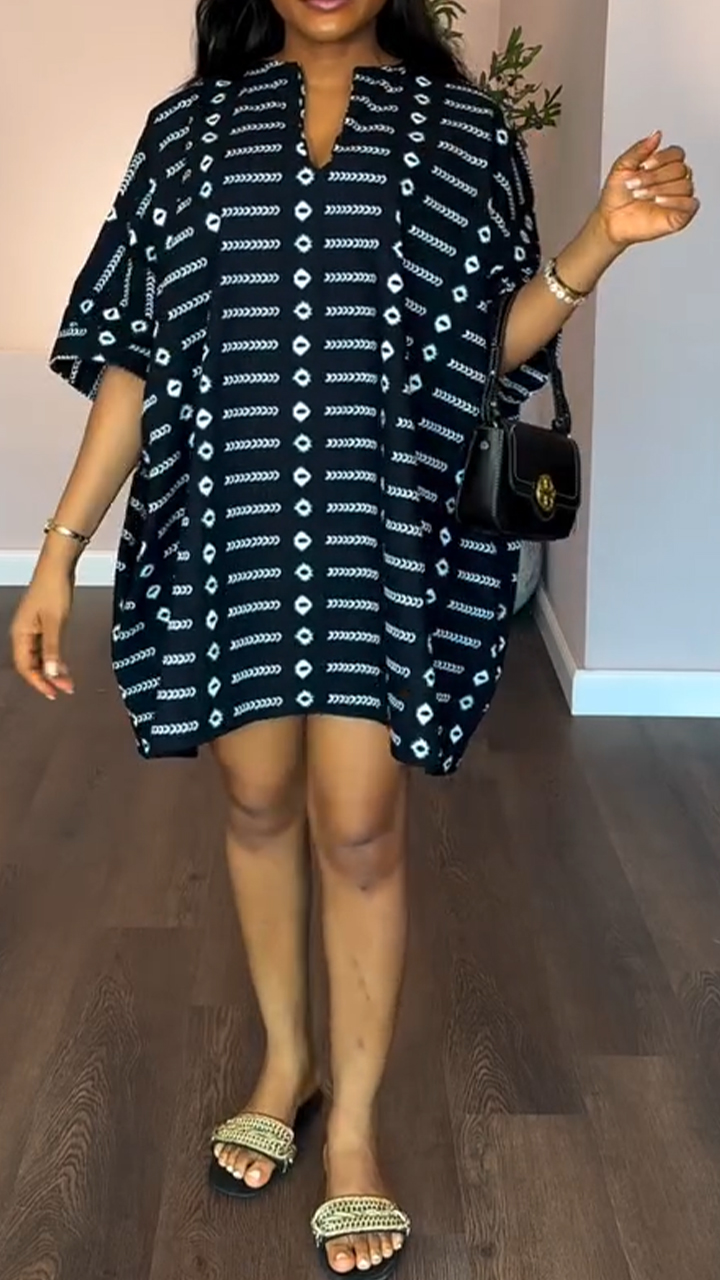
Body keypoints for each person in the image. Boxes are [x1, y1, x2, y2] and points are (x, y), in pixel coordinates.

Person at [10, 0, 698, 1274]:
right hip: (229, 527)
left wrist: (601, 238)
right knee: (255, 799)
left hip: (381, 532)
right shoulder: (187, 133)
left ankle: (358, 1133)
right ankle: (287, 1060)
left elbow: (476, 352)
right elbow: (135, 358)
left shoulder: (465, 134)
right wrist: (58, 549)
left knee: (364, 825)